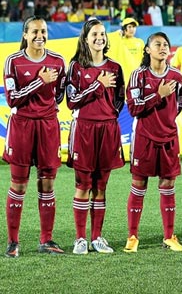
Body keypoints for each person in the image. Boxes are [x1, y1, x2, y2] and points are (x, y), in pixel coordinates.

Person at [3, 16, 67, 258]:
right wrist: (40, 81)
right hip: (22, 127)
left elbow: (59, 95)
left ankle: (46, 239)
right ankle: (12, 242)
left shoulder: (58, 61)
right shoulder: (13, 61)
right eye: (35, 32)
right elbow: (12, 99)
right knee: (19, 184)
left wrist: (44, 99)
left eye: (43, 31)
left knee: (47, 183)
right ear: (25, 35)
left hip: (48, 126)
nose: (40, 36)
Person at [66, 19, 125, 255]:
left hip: (107, 129)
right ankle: (80, 239)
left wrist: (110, 113)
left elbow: (120, 98)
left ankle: (97, 237)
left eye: (102, 34)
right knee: (83, 185)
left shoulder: (115, 68)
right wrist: (96, 85)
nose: (100, 38)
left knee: (101, 186)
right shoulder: (76, 67)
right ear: (85, 38)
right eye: (94, 34)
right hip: (84, 129)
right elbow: (71, 101)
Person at [124, 32, 182, 252]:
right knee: (139, 185)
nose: (163, 47)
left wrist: (166, 118)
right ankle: (132, 236)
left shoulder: (177, 77)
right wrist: (157, 95)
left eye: (165, 44)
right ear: (148, 50)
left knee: (168, 185)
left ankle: (169, 236)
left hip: (169, 137)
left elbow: (180, 104)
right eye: (157, 44)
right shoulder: (138, 76)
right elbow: (133, 108)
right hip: (144, 137)